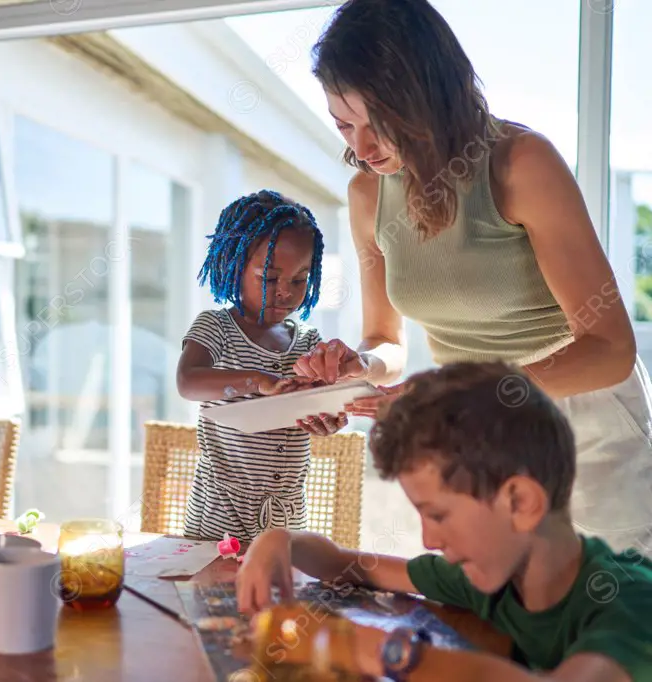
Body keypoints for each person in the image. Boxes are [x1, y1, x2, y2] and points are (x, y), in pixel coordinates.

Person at [291, 0, 652, 553]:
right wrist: (356, 373)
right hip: (471, 428)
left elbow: (610, 349)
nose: (361, 150)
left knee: (610, 617)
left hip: (582, 418)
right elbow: (387, 340)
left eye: (381, 125)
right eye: (344, 124)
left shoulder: (520, 164)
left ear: (428, 98)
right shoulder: (367, 195)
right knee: (495, 617)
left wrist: (462, 396)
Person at [236, 362, 652, 681]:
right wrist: (279, 540)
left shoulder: (631, 601)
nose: (428, 539)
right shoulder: (489, 573)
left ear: (521, 502)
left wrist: (379, 649)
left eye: (438, 515)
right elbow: (350, 565)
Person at [176, 189, 346, 544]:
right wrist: (259, 381)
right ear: (233, 267)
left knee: (278, 594)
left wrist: (326, 418)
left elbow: (317, 408)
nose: (285, 292)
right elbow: (188, 383)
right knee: (213, 593)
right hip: (221, 512)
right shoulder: (217, 328)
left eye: (300, 279)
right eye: (269, 279)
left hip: (287, 514)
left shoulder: (309, 341)